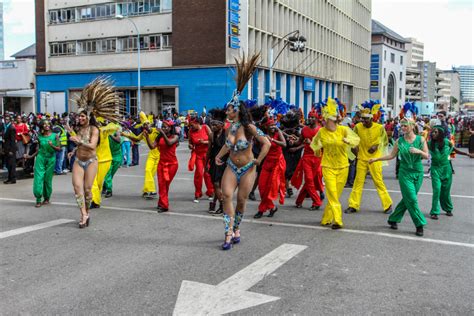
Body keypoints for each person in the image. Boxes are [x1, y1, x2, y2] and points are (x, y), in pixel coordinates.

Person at [214, 53, 270, 250]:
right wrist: (219, 157)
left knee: (241, 201)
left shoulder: (249, 128)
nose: (226, 112)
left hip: (247, 168)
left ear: (237, 110)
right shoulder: (230, 127)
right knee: (226, 196)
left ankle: (237, 228)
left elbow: (267, 143)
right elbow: (227, 146)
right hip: (231, 166)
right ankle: (228, 232)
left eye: (229, 109)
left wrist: (258, 161)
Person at [70, 77, 122, 228]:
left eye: (82, 116)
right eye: (78, 116)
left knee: (87, 190)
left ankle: (87, 211)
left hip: (92, 161)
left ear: (88, 117)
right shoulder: (79, 129)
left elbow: (92, 146)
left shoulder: (95, 129)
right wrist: (73, 150)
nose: (79, 118)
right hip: (78, 161)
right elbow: (80, 144)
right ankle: (83, 214)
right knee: (77, 188)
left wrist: (78, 141)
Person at [369, 115, 429, 237]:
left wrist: (419, 151)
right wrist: (376, 159)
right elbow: (391, 156)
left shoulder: (421, 140)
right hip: (405, 173)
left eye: (405, 125)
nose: (402, 127)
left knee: (407, 199)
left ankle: (393, 218)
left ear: (412, 127)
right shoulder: (399, 141)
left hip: (418, 173)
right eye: (401, 125)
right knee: (412, 199)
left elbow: (427, 156)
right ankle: (419, 224)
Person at [310, 98, 360, 229]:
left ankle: (327, 218)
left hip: (343, 166)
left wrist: (348, 141)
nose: (323, 121)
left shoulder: (343, 130)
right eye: (323, 119)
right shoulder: (321, 132)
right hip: (327, 166)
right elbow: (314, 144)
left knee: (335, 195)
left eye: (326, 119)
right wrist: (318, 149)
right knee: (331, 193)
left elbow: (356, 140)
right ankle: (338, 220)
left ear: (332, 120)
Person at [345, 101, 392, 214]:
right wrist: (354, 147)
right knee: (358, 182)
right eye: (362, 118)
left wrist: (376, 146)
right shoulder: (358, 127)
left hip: (374, 159)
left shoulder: (379, 128)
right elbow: (353, 138)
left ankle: (387, 205)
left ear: (371, 119)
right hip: (361, 158)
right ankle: (353, 205)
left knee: (378, 182)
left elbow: (385, 141)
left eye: (365, 119)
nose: (363, 121)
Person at [428, 123, 473, 220]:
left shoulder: (446, 142)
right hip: (435, 169)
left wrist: (467, 154)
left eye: (435, 132)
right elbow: (422, 151)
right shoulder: (429, 144)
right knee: (437, 190)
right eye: (432, 132)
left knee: (445, 190)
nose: (433, 134)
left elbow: (455, 150)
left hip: (446, 169)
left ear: (440, 133)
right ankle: (434, 211)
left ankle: (448, 208)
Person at [122, 112, 161, 199]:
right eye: (144, 125)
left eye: (147, 124)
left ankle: (146, 190)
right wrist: (125, 135)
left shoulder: (157, 131)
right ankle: (152, 190)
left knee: (151, 173)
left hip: (159, 155)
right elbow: (136, 139)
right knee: (148, 171)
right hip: (152, 155)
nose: (146, 126)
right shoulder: (144, 134)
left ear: (150, 124)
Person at [254, 117, 286, 218]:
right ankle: (272, 207)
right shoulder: (263, 135)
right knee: (261, 187)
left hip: (277, 163)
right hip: (267, 162)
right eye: (270, 125)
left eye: (274, 125)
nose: (273, 127)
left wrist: (271, 139)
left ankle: (261, 210)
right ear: (266, 127)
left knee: (269, 188)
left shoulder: (278, 133)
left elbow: (284, 144)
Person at [292, 109, 324, 210]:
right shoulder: (304, 129)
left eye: (312, 117)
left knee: (309, 181)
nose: (310, 118)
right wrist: (293, 141)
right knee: (309, 180)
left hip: (317, 157)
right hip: (306, 157)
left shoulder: (321, 130)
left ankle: (299, 201)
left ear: (317, 119)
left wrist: (311, 143)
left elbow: (323, 146)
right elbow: (299, 141)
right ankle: (317, 202)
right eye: (309, 117)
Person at [145, 119, 179, 212]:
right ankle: (163, 205)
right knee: (161, 184)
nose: (163, 128)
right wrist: (147, 137)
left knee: (165, 184)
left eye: (165, 127)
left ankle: (162, 202)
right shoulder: (159, 137)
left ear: (170, 128)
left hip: (172, 164)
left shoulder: (175, 136)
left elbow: (169, 143)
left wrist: (162, 133)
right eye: (162, 127)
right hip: (161, 163)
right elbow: (152, 147)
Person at [25, 119, 60, 207]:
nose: (46, 125)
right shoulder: (39, 136)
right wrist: (30, 156)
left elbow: (59, 149)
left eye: (48, 124)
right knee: (38, 178)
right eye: (44, 124)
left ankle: (47, 198)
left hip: (51, 159)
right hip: (40, 158)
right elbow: (38, 149)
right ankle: (38, 199)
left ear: (50, 125)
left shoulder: (55, 136)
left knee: (47, 180)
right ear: (42, 126)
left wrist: (52, 145)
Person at [206, 108, 228, 214]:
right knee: (216, 185)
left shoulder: (227, 134)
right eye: (212, 124)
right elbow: (209, 150)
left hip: (225, 162)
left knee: (219, 185)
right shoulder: (211, 135)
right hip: (214, 162)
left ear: (222, 125)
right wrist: (206, 163)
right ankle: (220, 205)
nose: (213, 127)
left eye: (215, 125)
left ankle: (222, 205)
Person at [188, 116, 214, 203]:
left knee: (208, 173)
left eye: (192, 125)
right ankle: (197, 193)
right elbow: (190, 143)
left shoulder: (205, 127)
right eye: (190, 126)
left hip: (207, 154)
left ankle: (210, 192)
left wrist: (204, 142)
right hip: (198, 154)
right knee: (199, 173)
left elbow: (212, 140)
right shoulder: (190, 131)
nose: (191, 127)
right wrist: (190, 146)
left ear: (197, 123)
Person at [102, 129, 123, 198]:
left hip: (117, 156)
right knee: (108, 173)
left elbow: (119, 140)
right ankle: (109, 190)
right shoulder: (103, 132)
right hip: (107, 156)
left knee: (111, 174)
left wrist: (110, 134)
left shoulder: (116, 130)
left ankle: (105, 185)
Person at [3, 115, 18, 184]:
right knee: (9, 164)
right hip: (7, 149)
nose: (6, 120)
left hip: (11, 149)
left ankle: (13, 179)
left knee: (12, 165)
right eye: (5, 119)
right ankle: (9, 178)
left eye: (8, 119)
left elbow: (13, 140)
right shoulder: (7, 127)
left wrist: (11, 150)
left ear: (10, 120)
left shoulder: (11, 128)